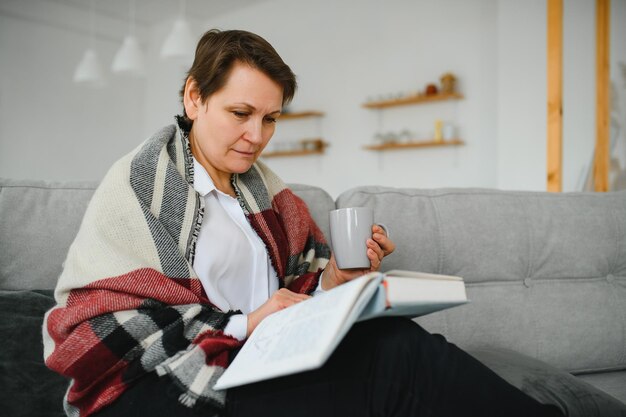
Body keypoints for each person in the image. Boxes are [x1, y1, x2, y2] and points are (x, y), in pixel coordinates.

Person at [43, 29, 563, 417]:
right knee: (396, 361)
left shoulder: (259, 189)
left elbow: (291, 296)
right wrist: (248, 324)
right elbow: (98, 327)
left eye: (269, 119)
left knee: (396, 339)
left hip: (254, 361)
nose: (256, 135)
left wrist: (335, 280)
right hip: (160, 386)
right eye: (241, 112)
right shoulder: (143, 182)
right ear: (194, 97)